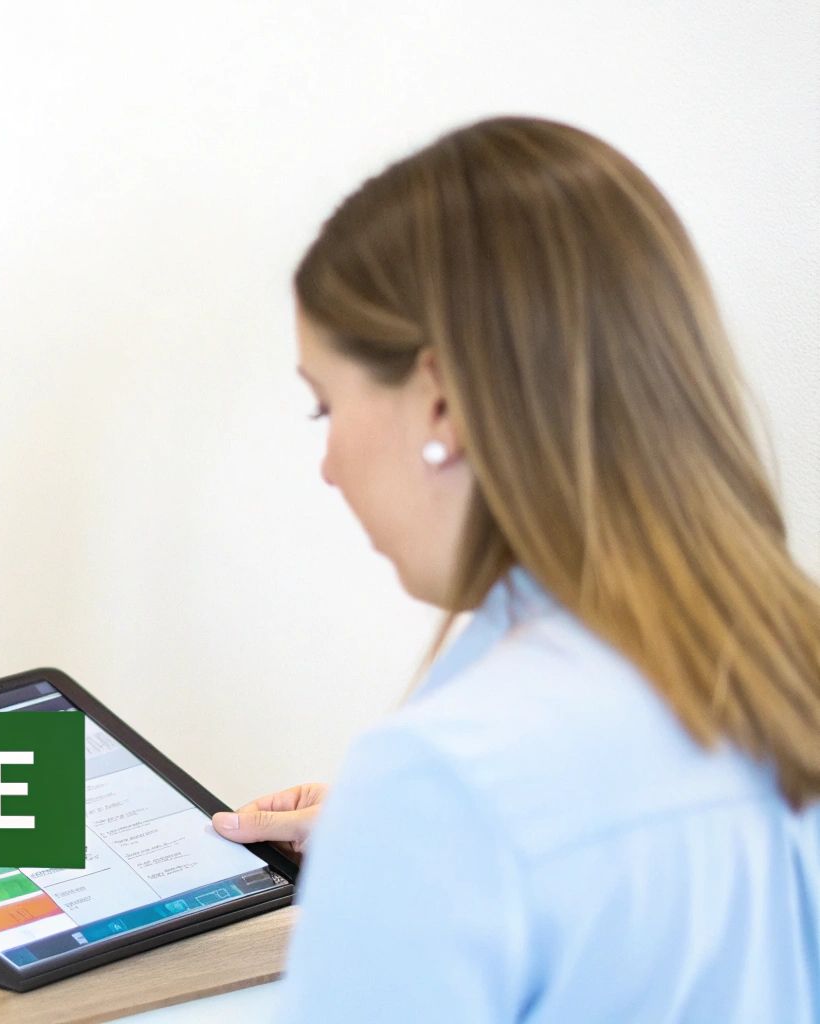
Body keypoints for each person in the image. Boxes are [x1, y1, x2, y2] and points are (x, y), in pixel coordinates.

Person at [214, 117, 820, 1020]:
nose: (330, 465)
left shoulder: (446, 780)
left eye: (324, 408)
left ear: (444, 404)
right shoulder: (787, 675)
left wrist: (423, 839)